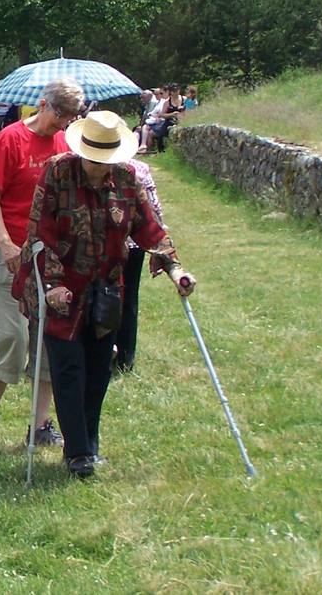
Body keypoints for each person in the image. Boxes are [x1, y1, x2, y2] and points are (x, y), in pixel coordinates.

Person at [13, 110, 196, 478]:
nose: (100, 167)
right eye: (95, 159)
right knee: (69, 370)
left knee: (99, 371)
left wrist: (175, 268)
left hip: (106, 290)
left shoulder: (128, 177)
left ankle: (89, 445)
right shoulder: (58, 171)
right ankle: (77, 454)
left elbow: (149, 227)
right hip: (59, 289)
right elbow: (40, 234)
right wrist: (52, 286)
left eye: (106, 159)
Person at [0, 78, 83, 450]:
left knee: (48, 338)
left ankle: (40, 425)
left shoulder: (63, 143)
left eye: (69, 119)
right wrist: (4, 243)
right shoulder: (10, 139)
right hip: (4, 249)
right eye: (59, 116)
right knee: (11, 337)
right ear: (44, 104)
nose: (62, 125)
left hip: (46, 255)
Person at [115, 159, 167, 374]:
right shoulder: (141, 168)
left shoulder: (138, 170)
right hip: (131, 244)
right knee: (128, 299)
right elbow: (155, 210)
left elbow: (152, 209)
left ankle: (121, 356)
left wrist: (160, 249)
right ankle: (124, 359)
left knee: (120, 299)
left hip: (126, 243)